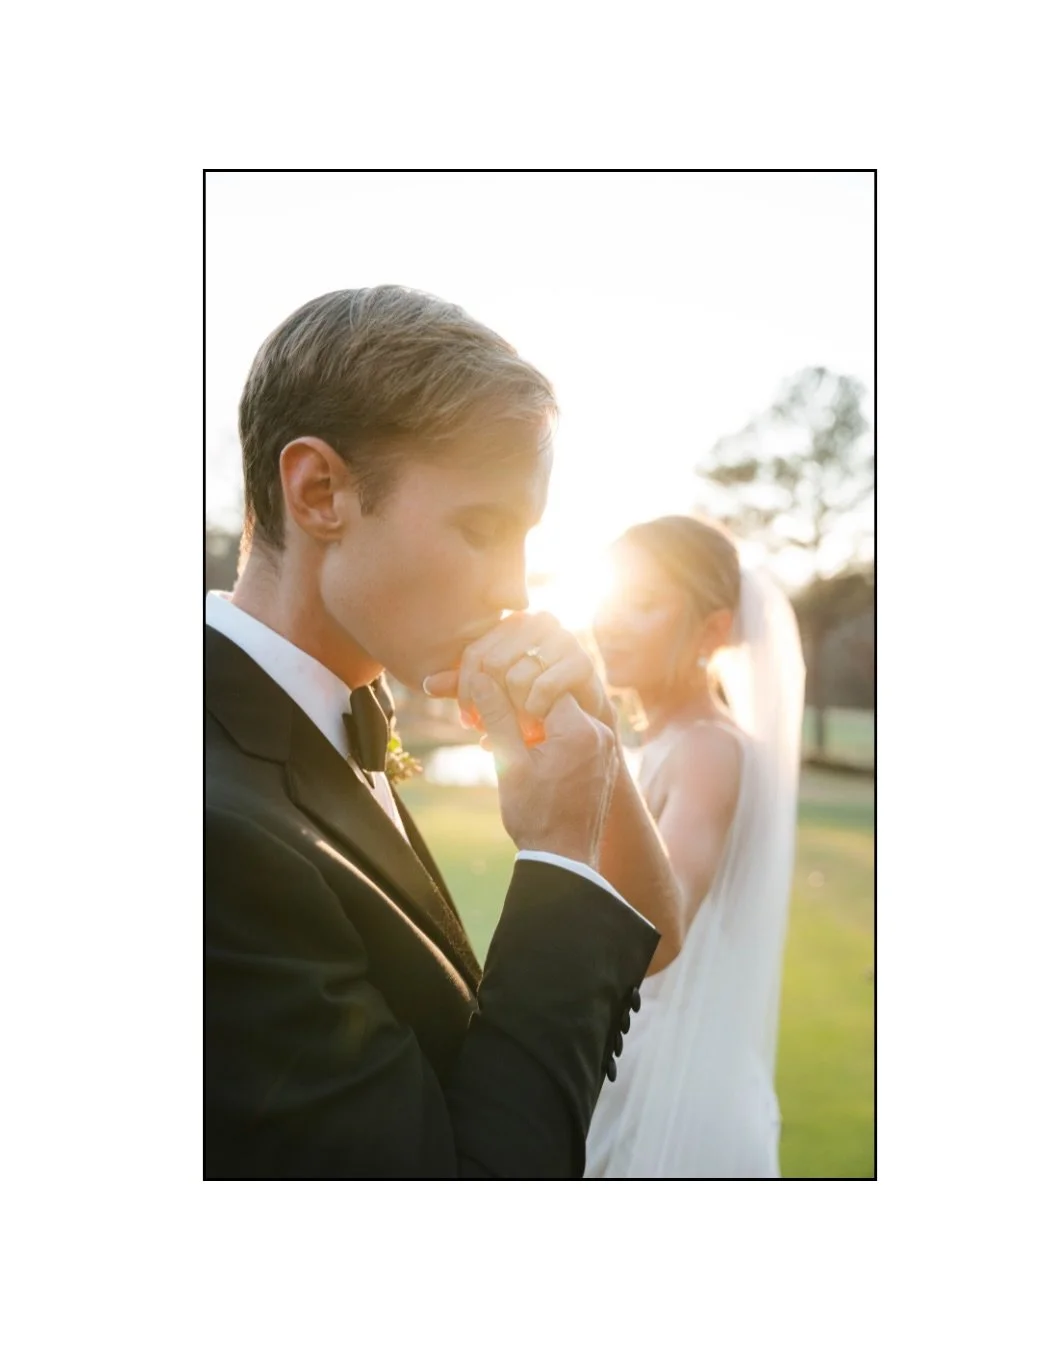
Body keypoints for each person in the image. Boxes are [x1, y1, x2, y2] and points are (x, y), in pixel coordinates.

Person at [205, 286, 681, 1179]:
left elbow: (658, 939)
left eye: (525, 540)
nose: (515, 591)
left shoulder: (320, 720)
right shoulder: (214, 835)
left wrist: (599, 750)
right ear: (319, 492)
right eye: (480, 528)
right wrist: (555, 857)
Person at [577, 516, 807, 1177]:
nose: (612, 622)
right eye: (611, 596)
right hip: (634, 1063)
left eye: (644, 603)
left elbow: (657, 921)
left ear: (712, 632)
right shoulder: (661, 744)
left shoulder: (709, 749)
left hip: (673, 1089)